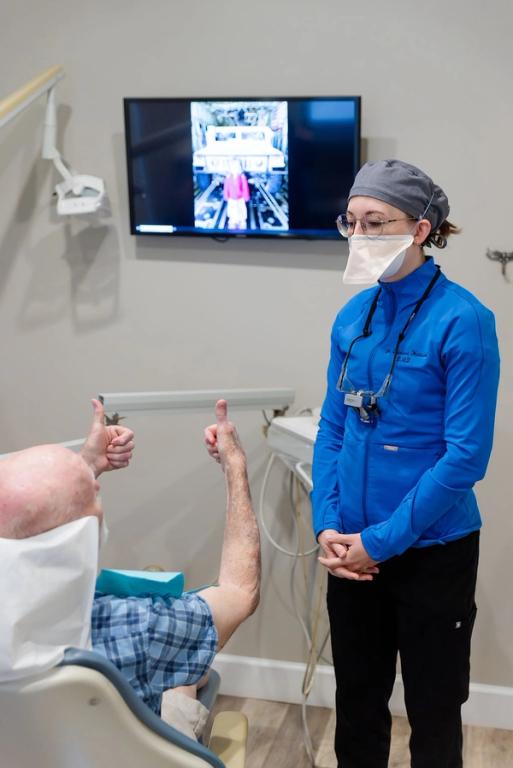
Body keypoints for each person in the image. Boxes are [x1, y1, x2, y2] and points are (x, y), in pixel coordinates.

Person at [311, 159, 500, 768]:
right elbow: (333, 429)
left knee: (433, 711)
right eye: (352, 222)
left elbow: (465, 456)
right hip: (352, 551)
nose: (360, 235)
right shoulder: (352, 319)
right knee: (357, 705)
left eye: (376, 222)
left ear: (419, 230)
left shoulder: (464, 320)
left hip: (430, 553)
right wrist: (328, 527)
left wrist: (383, 542)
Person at [0, 399, 260, 742]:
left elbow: (27, 519)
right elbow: (240, 592)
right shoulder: (140, 624)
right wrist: (236, 467)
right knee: (186, 676)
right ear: (86, 532)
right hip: (120, 750)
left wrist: (87, 465)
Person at [223, 159, 250, 229]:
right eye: (233, 167)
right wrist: (226, 196)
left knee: (241, 209)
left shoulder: (242, 177)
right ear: (230, 168)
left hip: (240, 198)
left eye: (236, 167)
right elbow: (226, 188)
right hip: (231, 198)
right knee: (232, 209)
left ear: (239, 168)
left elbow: (245, 187)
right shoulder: (228, 178)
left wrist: (246, 197)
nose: (235, 169)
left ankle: (242, 220)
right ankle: (232, 220)